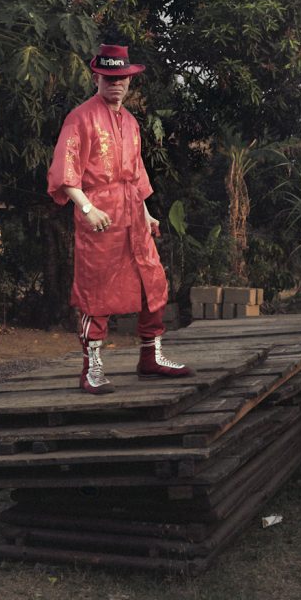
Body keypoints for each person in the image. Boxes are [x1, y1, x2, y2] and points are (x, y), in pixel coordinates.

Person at [47, 43, 192, 394]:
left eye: (122, 78)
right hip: (100, 216)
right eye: (109, 77)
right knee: (96, 290)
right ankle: (91, 367)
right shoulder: (80, 118)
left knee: (150, 281)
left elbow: (136, 174)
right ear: (97, 76)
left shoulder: (130, 122)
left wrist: (148, 213)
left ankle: (150, 356)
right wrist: (87, 208)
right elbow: (66, 173)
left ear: (130, 80)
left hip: (133, 214)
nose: (116, 84)